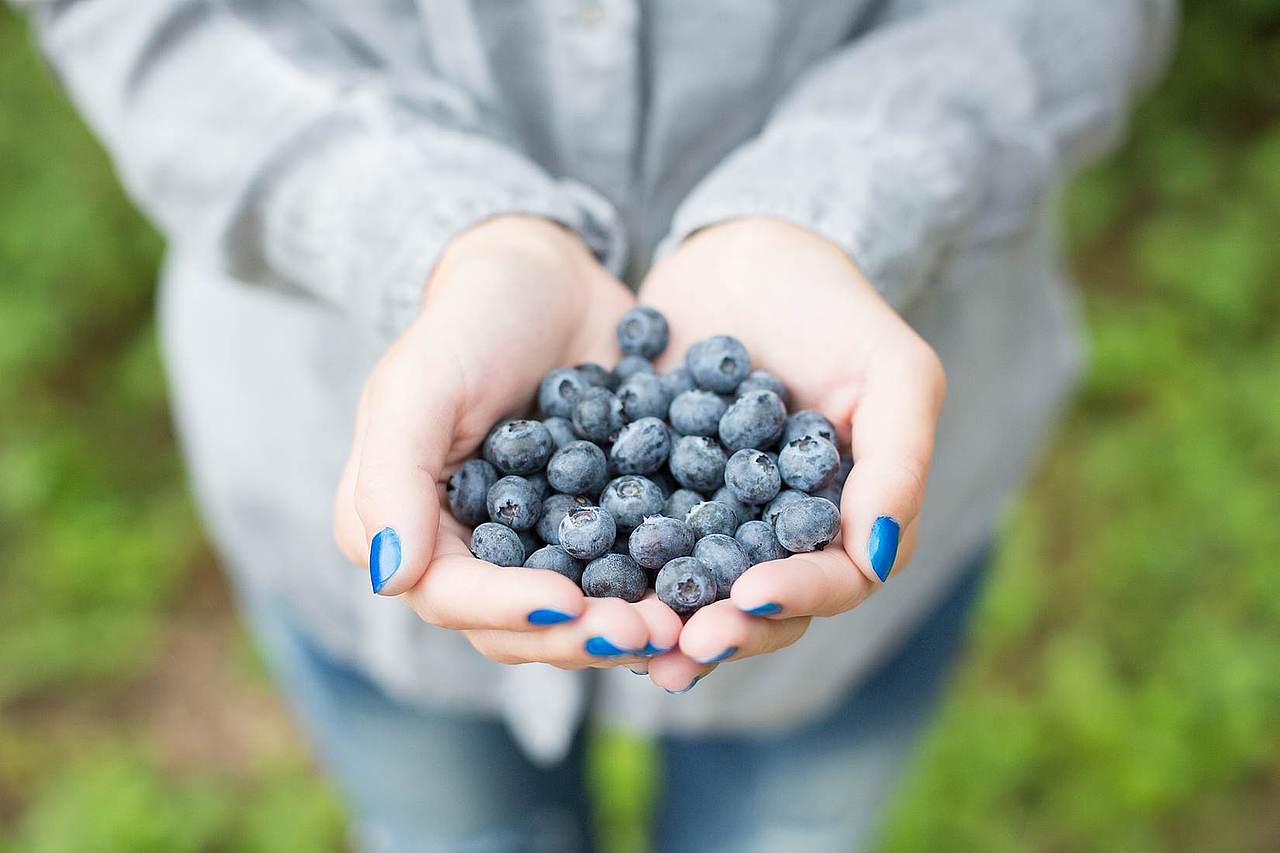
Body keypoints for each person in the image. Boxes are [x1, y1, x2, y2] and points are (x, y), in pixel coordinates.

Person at [22, 0, 1175, 849]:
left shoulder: (727, 448)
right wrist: (436, 231)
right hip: (335, 470)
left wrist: (835, 203)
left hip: (860, 561)